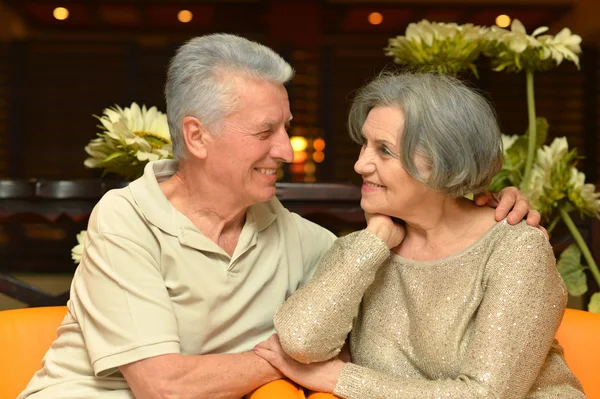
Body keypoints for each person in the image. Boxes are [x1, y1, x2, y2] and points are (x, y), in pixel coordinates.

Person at [20, 36, 538, 399]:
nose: (287, 152)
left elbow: (333, 320)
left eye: (286, 128)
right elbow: (164, 387)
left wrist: (470, 207)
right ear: (196, 136)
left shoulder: (307, 240)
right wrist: (292, 363)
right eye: (265, 132)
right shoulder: (127, 216)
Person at [257, 72, 585, 398]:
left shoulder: (516, 248)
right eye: (364, 145)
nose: (360, 164)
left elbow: (485, 395)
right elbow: (301, 342)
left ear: (443, 162)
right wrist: (374, 241)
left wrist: (342, 379)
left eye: (383, 150)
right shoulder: (366, 247)